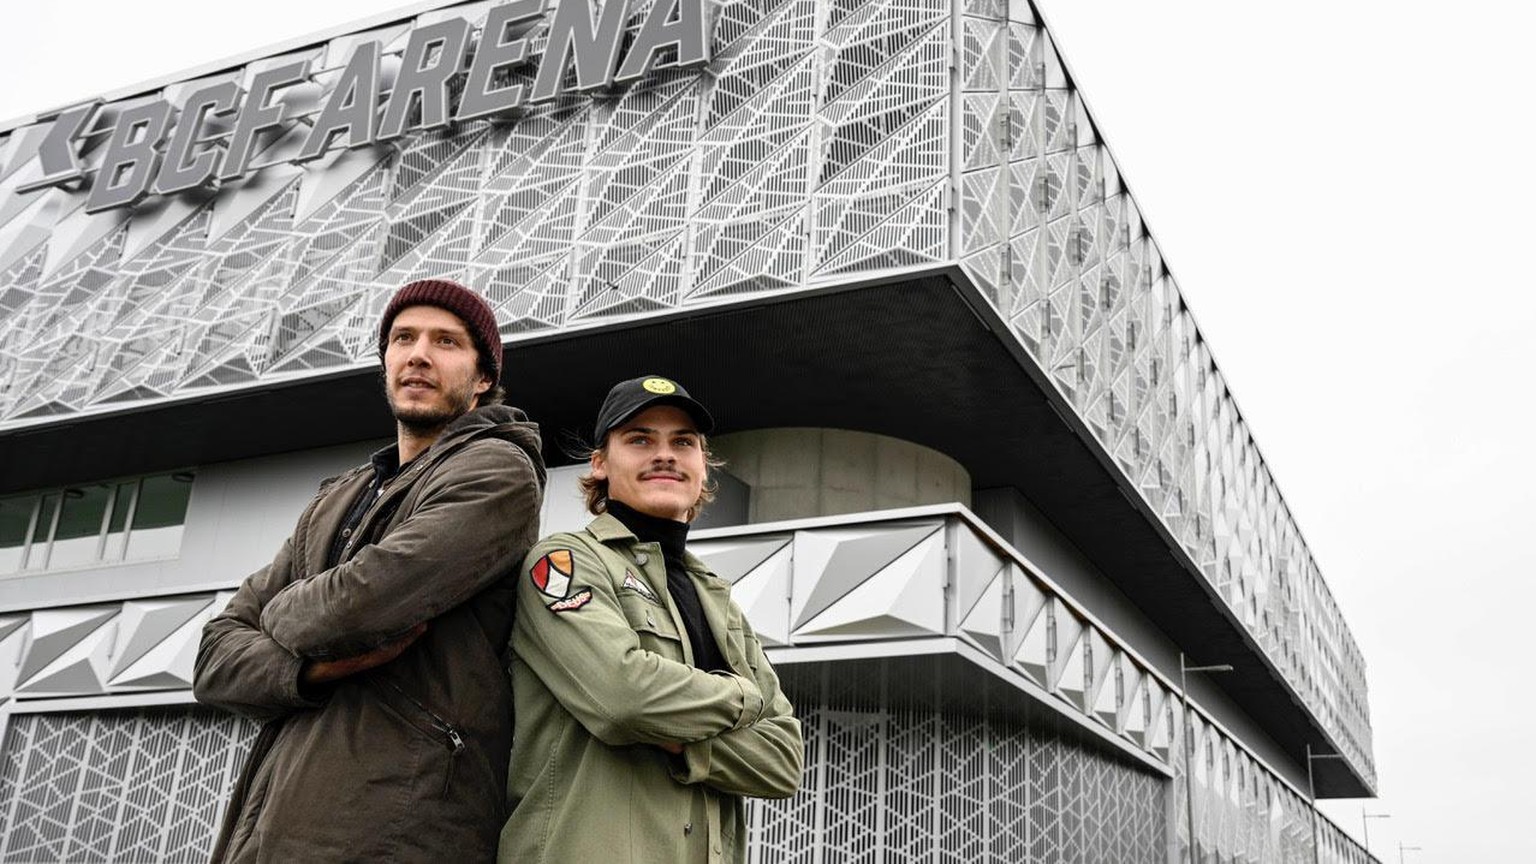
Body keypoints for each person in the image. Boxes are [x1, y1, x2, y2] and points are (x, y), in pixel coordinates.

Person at [194, 278, 546, 863]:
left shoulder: (498, 470)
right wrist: (310, 671)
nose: (419, 354)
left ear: (483, 379)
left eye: (446, 342)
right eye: (403, 338)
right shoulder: (341, 494)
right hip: (272, 817)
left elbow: (358, 607)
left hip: (394, 821)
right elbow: (213, 660)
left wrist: (280, 611)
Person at [499, 375, 802, 864]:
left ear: (704, 467)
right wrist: (744, 697)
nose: (665, 455)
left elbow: (784, 761)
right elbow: (624, 697)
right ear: (600, 463)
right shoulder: (564, 562)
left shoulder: (718, 599)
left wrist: (687, 747)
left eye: (683, 442)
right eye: (639, 439)